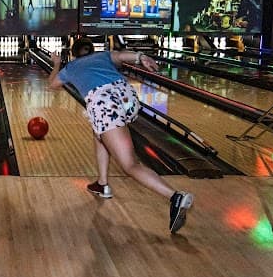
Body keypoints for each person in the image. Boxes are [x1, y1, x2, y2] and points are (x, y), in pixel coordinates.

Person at [49, 38, 194, 234]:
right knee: (98, 130)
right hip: (127, 97)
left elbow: (53, 84)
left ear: (74, 54)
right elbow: (122, 55)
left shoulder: (72, 66)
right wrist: (142, 57)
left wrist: (57, 63)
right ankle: (102, 183)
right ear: (93, 50)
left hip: (105, 103)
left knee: (130, 165)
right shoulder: (103, 56)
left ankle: (175, 197)